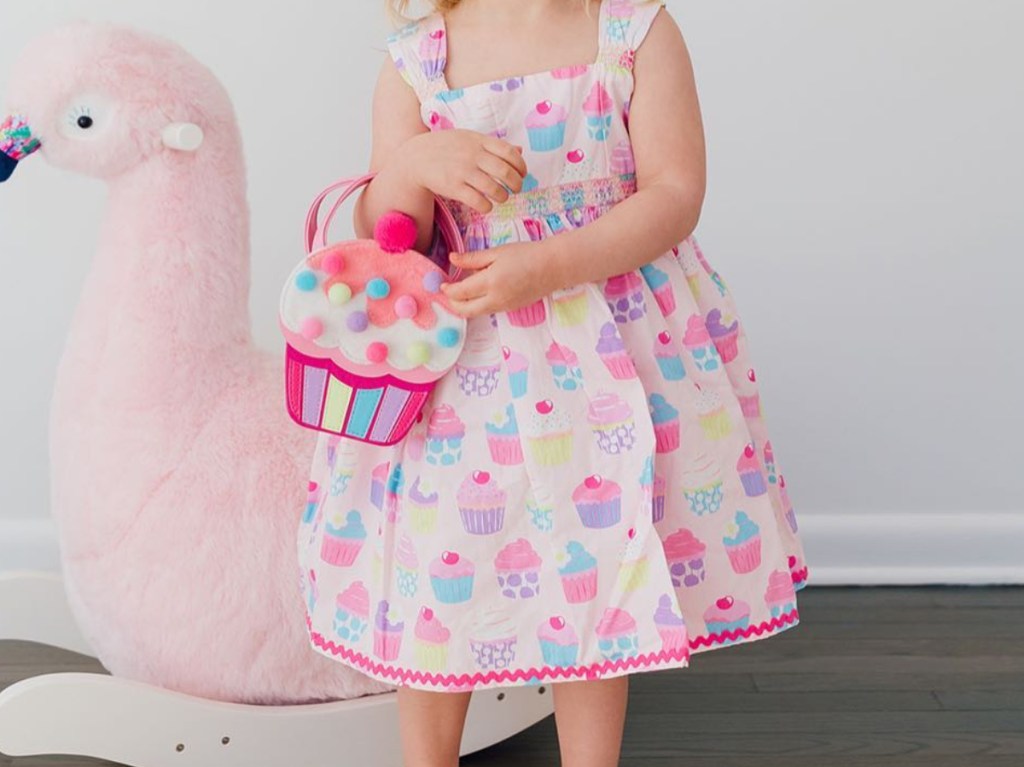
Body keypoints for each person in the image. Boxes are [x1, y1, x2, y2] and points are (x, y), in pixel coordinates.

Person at [299, 1, 810, 764]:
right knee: (442, 569)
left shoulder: (634, 34)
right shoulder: (418, 61)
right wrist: (408, 169)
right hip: (464, 368)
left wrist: (546, 267)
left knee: (601, 557)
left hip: (607, 348)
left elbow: (674, 194)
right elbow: (391, 232)